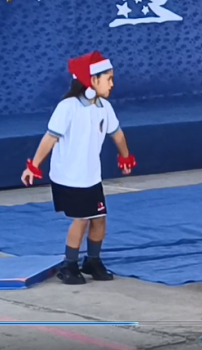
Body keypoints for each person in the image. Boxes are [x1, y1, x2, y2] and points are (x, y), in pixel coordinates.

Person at [20, 51, 137, 285]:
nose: (112, 84)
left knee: (100, 218)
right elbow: (50, 138)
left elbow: (117, 133)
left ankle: (92, 260)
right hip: (69, 177)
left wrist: (125, 157)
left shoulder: (104, 107)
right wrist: (34, 165)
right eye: (108, 79)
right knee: (82, 219)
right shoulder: (68, 107)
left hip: (91, 176)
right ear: (92, 81)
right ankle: (69, 264)